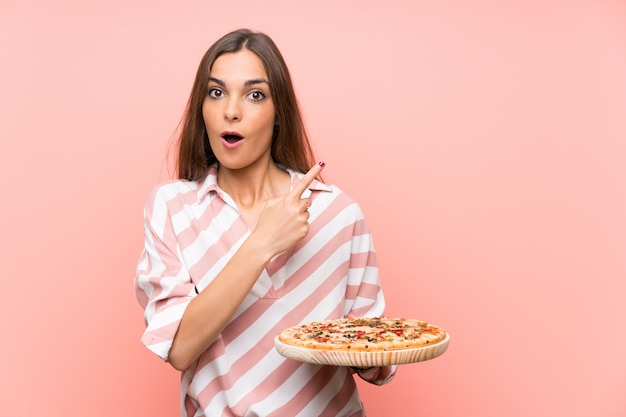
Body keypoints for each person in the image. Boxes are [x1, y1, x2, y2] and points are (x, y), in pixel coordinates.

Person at [134, 28, 396, 417]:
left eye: (255, 94)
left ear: (278, 114)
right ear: (201, 107)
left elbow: (376, 360)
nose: (231, 111)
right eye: (216, 92)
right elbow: (179, 347)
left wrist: (369, 354)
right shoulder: (172, 207)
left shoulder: (338, 213)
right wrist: (262, 243)